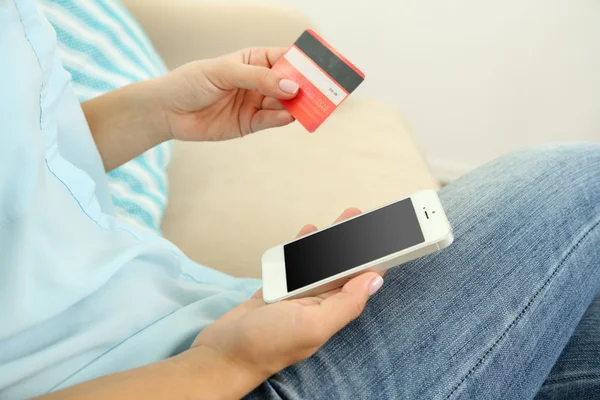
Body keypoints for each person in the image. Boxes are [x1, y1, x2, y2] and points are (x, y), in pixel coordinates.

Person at [1, 0, 599, 399]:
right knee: (578, 179)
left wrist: (157, 111)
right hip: (191, 379)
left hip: (196, 315)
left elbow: (28, 170)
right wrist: (223, 366)